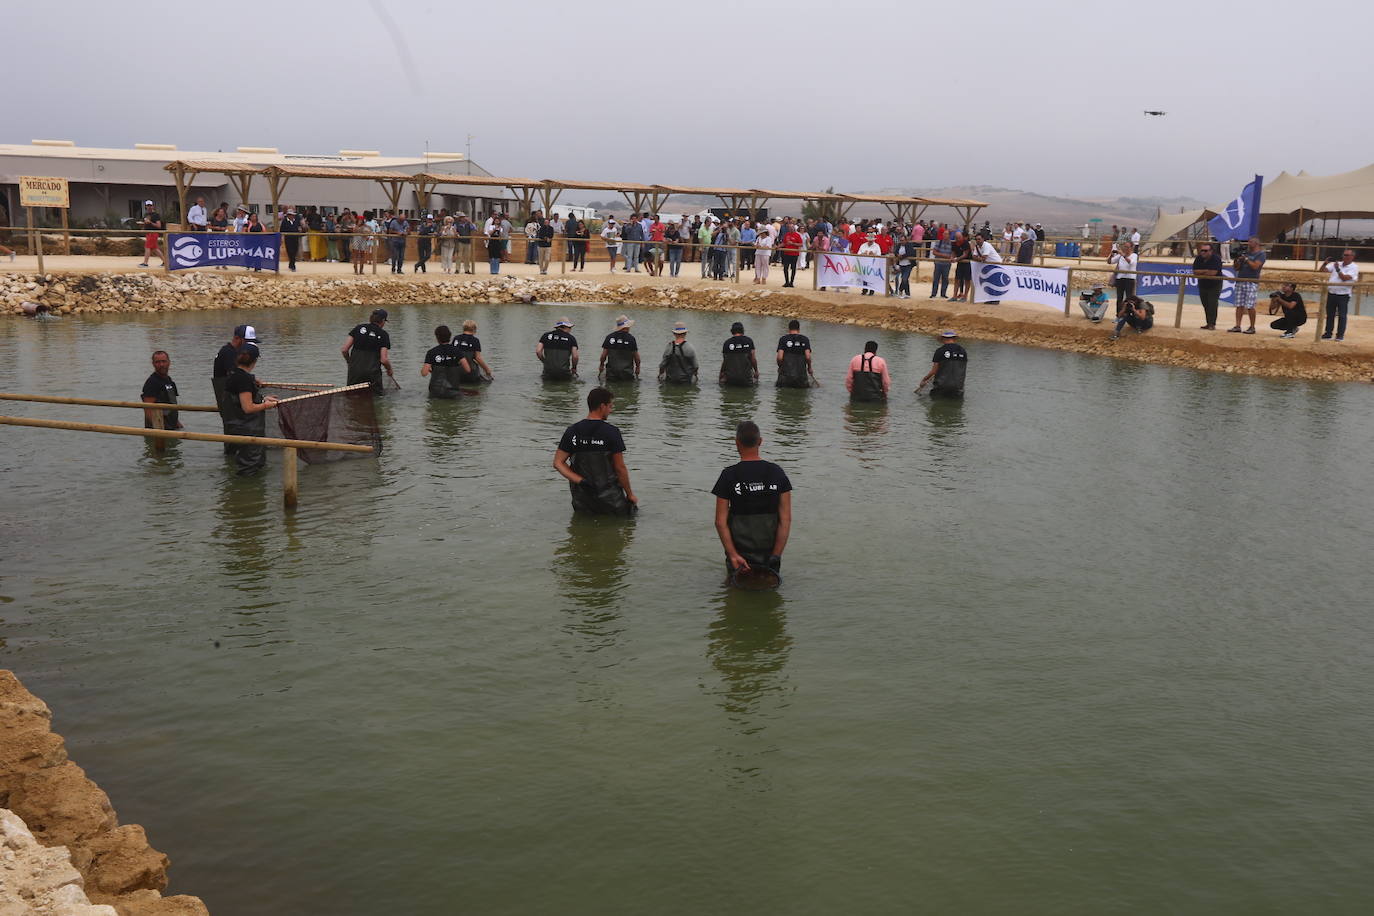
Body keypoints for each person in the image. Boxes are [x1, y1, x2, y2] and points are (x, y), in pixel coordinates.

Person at [712, 420, 792, 577]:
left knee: (735, 593)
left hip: (739, 553)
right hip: (769, 552)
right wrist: (776, 555)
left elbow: (720, 522)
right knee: (769, 592)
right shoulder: (777, 472)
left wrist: (733, 555)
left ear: (737, 443)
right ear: (760, 442)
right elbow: (786, 520)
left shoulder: (728, 475)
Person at [553, 386, 637, 515]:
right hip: (611, 499)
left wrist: (580, 480)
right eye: (610, 406)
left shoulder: (572, 431)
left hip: (582, 499)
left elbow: (558, 463)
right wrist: (630, 494)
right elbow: (620, 468)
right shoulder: (612, 432)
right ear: (602, 406)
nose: (611, 410)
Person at [222, 343, 280, 475]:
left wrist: (263, 399)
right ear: (254, 360)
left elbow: (241, 400)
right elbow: (247, 408)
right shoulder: (244, 379)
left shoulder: (233, 374)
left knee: (246, 464)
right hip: (248, 430)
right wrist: (266, 405)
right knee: (249, 468)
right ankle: (246, 494)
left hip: (235, 427)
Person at [212, 324, 256, 452]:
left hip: (229, 403)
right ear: (237, 339)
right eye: (247, 342)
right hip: (230, 404)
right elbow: (235, 376)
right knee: (234, 437)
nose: (249, 346)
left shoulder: (232, 352)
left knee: (233, 434)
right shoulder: (229, 352)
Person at [341, 308, 394, 393]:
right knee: (375, 399)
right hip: (372, 374)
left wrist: (349, 362)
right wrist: (389, 370)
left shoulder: (358, 328)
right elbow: (384, 360)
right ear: (383, 320)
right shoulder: (383, 334)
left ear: (371, 318)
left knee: (353, 397)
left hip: (354, 372)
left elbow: (344, 350)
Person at [1227, 237, 1266, 333]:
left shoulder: (1261, 254)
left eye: (1250, 242)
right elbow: (1236, 268)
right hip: (1240, 280)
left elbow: (1255, 266)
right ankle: (1237, 325)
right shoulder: (1246, 253)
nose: (1248, 244)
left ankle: (1252, 327)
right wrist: (1237, 260)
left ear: (1256, 243)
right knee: (1239, 304)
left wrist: (1246, 259)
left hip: (1251, 281)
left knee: (1250, 305)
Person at [1321, 249, 1360, 341]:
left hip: (1343, 294)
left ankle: (1340, 335)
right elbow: (1322, 270)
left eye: (1347, 255)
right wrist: (1325, 263)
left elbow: (1344, 278)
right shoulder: (1337, 264)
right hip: (1332, 293)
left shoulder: (1354, 267)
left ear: (1352, 257)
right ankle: (1328, 333)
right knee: (1330, 314)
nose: (1345, 257)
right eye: (1344, 255)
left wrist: (1338, 269)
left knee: (1342, 315)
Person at [420, 325, 468, 399]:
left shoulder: (431, 352)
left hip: (435, 392)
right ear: (450, 336)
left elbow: (424, 373)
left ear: (437, 337)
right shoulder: (457, 351)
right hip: (453, 392)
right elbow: (468, 369)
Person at [916, 330, 967, 397]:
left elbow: (934, 371)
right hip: (958, 388)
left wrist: (924, 380)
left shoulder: (940, 351)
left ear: (943, 339)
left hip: (941, 387)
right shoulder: (963, 351)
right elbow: (961, 369)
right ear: (954, 339)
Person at [141, 350, 182, 431]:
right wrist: (159, 430)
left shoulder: (169, 381)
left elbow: (172, 404)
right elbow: (148, 410)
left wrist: (177, 423)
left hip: (172, 426)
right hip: (158, 429)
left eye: (164, 361)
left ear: (169, 362)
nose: (161, 365)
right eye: (157, 362)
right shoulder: (152, 382)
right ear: (153, 364)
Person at [1192, 242, 1225, 330]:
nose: (1203, 252)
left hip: (1214, 284)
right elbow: (1195, 271)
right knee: (1205, 304)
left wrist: (1202, 272)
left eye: (1205, 251)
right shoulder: (1198, 258)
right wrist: (1206, 271)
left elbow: (1213, 273)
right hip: (1203, 284)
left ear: (1211, 251)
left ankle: (1212, 323)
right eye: (1201, 250)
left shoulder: (1216, 259)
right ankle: (1208, 322)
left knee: (1212, 304)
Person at [598, 315, 640, 381]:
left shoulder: (609, 337)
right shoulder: (631, 339)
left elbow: (603, 356)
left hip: (611, 374)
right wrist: (638, 368)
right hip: (627, 374)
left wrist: (601, 365)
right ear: (627, 327)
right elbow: (637, 357)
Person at [776, 319, 814, 388]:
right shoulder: (805, 339)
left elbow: (780, 357)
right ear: (799, 329)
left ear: (789, 328)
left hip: (786, 377)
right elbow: (808, 357)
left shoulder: (783, 339)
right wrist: (809, 368)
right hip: (801, 377)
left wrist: (780, 367)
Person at [719, 321, 759, 386]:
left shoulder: (727, 343)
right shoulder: (749, 341)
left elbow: (725, 361)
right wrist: (756, 371)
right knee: (755, 382)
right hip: (746, 380)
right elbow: (753, 359)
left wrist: (721, 373)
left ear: (732, 331)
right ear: (743, 331)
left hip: (730, 380)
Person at [138, 201, 164, 267]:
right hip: (148, 233)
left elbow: (159, 226)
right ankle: (165, 262)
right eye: (148, 206)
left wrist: (150, 222)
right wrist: (142, 226)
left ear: (153, 206)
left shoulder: (156, 215)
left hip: (153, 233)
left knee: (147, 247)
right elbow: (146, 224)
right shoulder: (146, 214)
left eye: (150, 205)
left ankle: (145, 263)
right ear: (146, 206)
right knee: (155, 249)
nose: (149, 207)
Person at [779, 222, 804, 287]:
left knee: (793, 268)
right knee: (785, 268)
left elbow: (801, 244)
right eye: (789, 228)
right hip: (787, 253)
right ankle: (786, 282)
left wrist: (793, 243)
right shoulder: (786, 235)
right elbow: (784, 243)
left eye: (792, 227)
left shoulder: (797, 235)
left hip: (794, 254)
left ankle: (791, 282)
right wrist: (778, 246)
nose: (790, 229)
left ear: (794, 228)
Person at [930, 230, 953, 299]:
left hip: (947, 264)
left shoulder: (951, 244)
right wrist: (944, 255)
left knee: (945, 279)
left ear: (949, 235)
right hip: (938, 263)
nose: (945, 235)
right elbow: (934, 252)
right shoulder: (939, 242)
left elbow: (953, 253)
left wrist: (951, 257)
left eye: (946, 234)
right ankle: (934, 293)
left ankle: (943, 294)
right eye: (944, 234)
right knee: (936, 278)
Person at [950, 231, 972, 301]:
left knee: (967, 280)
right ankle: (954, 296)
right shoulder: (954, 243)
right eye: (956, 238)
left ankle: (965, 296)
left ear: (962, 237)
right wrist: (952, 257)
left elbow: (965, 254)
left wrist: (956, 259)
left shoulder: (966, 243)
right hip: (960, 263)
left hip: (967, 263)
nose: (958, 239)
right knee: (957, 279)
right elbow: (953, 252)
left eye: (959, 237)